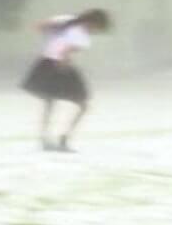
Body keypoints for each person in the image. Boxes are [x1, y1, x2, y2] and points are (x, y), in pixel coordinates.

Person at [20, 9, 111, 152]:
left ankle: (45, 139)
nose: (96, 31)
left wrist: (52, 34)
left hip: (45, 63)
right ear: (93, 22)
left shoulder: (65, 20)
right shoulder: (82, 36)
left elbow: (40, 27)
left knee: (50, 102)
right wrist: (63, 63)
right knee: (82, 105)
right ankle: (63, 139)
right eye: (97, 28)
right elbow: (65, 52)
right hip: (60, 65)